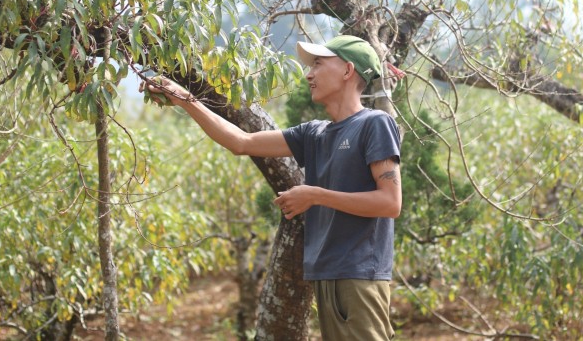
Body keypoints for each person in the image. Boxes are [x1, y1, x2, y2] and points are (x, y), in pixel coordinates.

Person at [140, 35, 402, 340]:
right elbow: (242, 142)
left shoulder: (374, 123)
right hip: (328, 273)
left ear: (347, 70)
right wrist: (182, 97)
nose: (309, 74)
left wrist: (314, 195)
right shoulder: (314, 133)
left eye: (318, 64)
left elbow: (389, 203)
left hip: (359, 274)